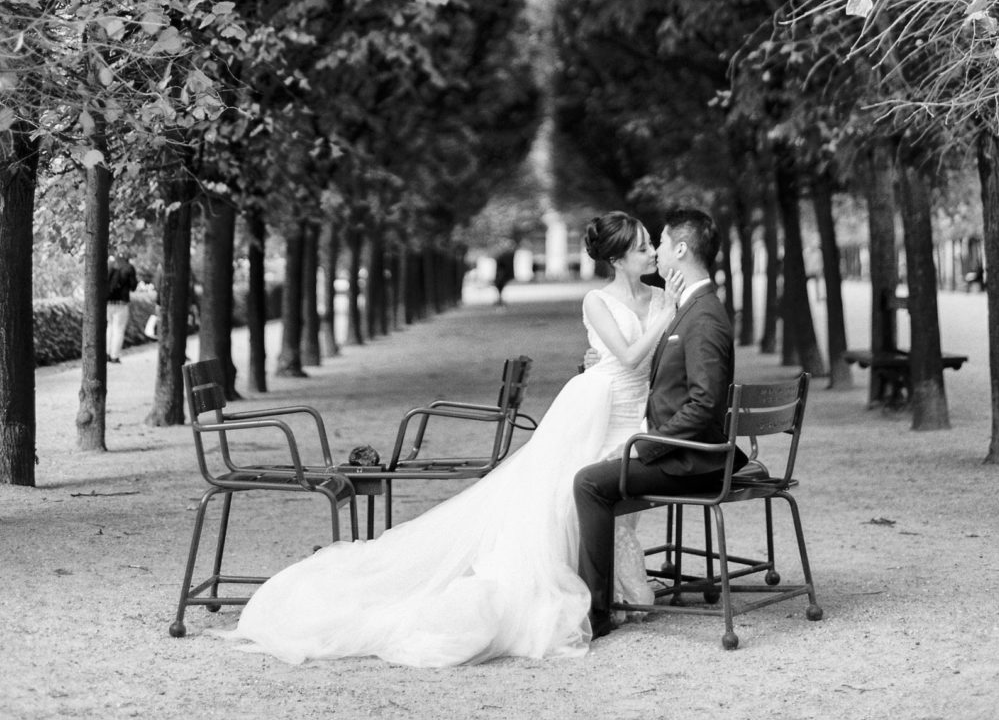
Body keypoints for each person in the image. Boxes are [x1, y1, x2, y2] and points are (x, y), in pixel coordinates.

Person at [231, 212, 681, 667]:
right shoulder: (598, 301)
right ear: (619, 258)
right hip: (596, 408)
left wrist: (658, 325)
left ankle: (617, 589)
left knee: (610, 500)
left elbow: (658, 361)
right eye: (643, 246)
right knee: (564, 498)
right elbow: (625, 357)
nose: (651, 253)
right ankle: (599, 590)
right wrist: (658, 323)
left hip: (632, 413)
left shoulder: (662, 297)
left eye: (649, 245)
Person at [573, 206, 743, 641]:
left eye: (660, 242)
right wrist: (596, 364)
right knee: (590, 477)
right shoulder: (693, 306)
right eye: (646, 245)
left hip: (694, 459)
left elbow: (704, 404)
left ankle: (598, 609)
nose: (656, 251)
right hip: (676, 442)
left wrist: (643, 446)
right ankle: (601, 599)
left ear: (680, 248)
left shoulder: (700, 314)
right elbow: (648, 367)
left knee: (589, 483)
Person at [106, 253, 138, 363]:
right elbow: (133, 286)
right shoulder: (128, 267)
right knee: (118, 330)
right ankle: (115, 356)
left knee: (109, 327)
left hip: (108, 302)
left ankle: (107, 353)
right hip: (121, 303)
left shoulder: (109, 264)